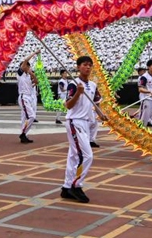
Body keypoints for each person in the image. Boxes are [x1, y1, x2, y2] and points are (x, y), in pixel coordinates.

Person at [60, 56, 106, 204]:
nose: (88, 67)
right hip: (75, 122)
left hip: (86, 123)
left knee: (73, 156)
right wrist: (78, 93)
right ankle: (76, 184)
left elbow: (95, 102)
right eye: (85, 65)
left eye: (90, 65)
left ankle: (67, 187)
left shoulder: (92, 85)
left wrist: (100, 114)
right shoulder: (74, 84)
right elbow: (68, 105)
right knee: (87, 155)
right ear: (78, 67)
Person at [17, 52, 39, 143]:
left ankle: (24, 134)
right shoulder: (20, 74)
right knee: (32, 116)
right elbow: (26, 60)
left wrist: (32, 74)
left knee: (25, 117)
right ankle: (23, 133)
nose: (27, 67)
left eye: (28, 66)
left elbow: (36, 82)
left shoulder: (29, 76)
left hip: (29, 97)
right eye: (26, 66)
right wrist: (35, 53)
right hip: (23, 97)